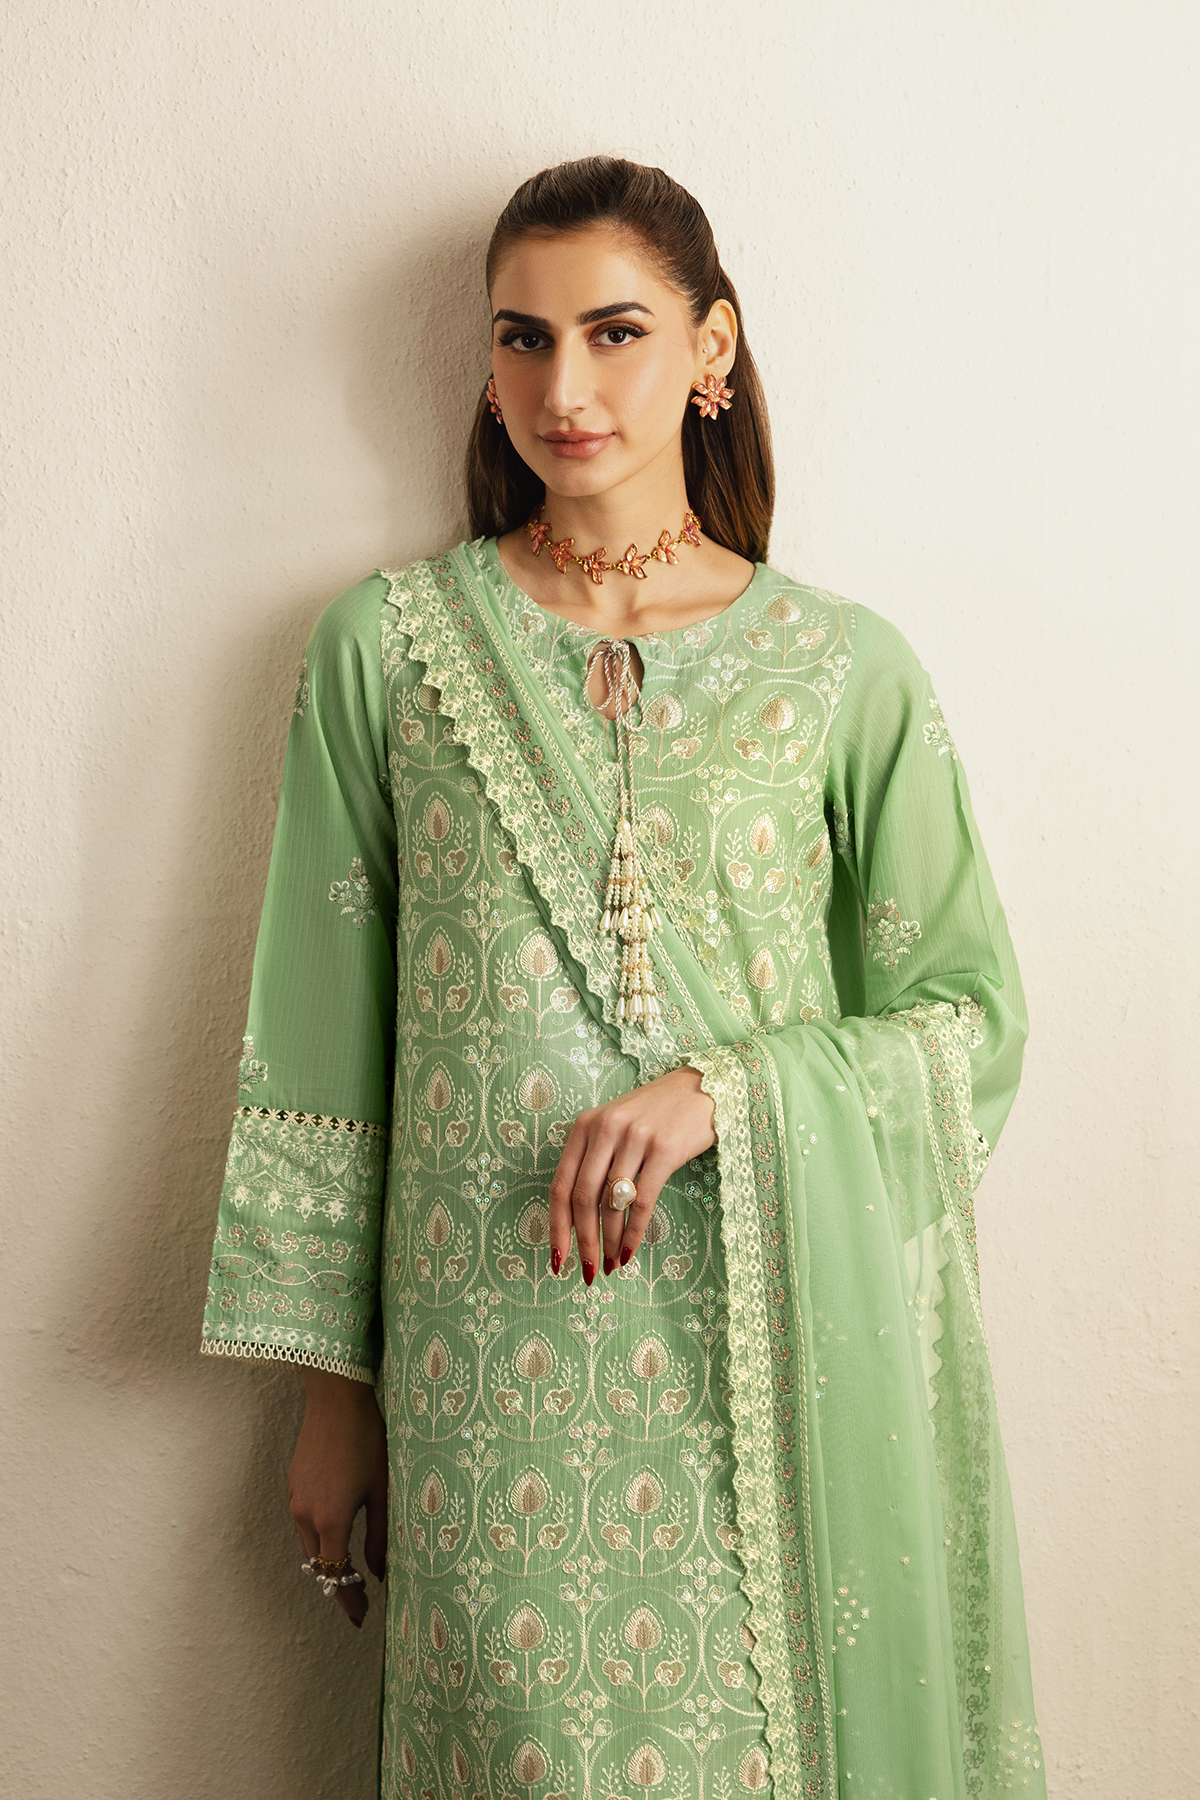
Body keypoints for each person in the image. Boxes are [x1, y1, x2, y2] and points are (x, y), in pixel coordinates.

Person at [201, 156, 1045, 1800]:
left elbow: (971, 1024)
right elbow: (323, 1037)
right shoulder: (385, 648)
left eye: (616, 332)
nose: (563, 388)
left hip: (770, 1357)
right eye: (522, 338)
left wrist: (727, 1095)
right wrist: (333, 1397)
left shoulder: (843, 668)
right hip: (486, 1356)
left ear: (711, 348)